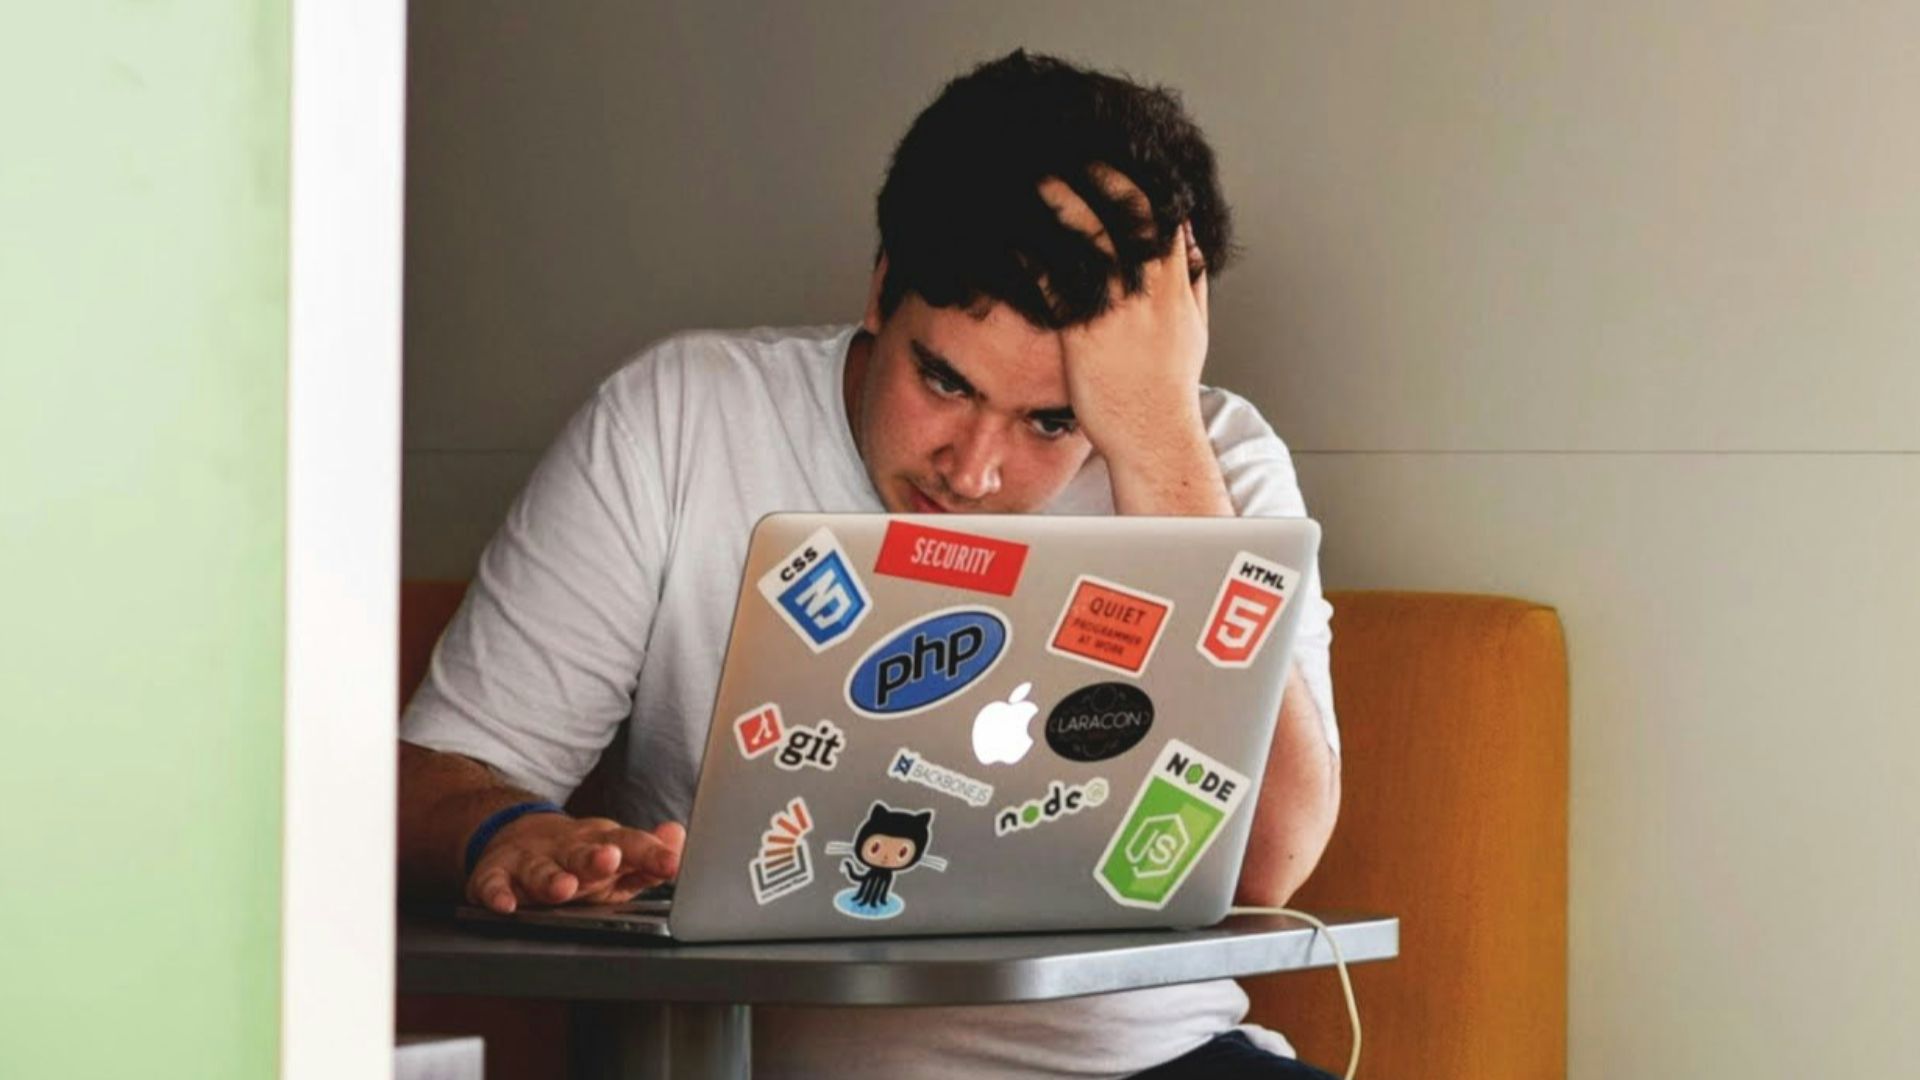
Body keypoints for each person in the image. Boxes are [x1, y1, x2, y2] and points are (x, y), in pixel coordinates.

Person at [399, 50, 1343, 1080]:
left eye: (1052, 421)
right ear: (883, 287)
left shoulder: (1213, 462)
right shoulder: (680, 420)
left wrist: (1155, 437)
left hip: (1157, 1063)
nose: (975, 471)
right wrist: (505, 830)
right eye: (943, 380)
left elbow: (1272, 863)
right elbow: (427, 782)